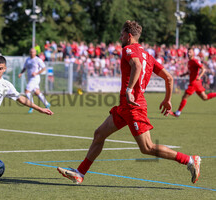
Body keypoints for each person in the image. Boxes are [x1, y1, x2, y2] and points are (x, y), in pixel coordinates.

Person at [57, 20, 201, 184]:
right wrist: (167, 100)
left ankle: (190, 160)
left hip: (134, 105)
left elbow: (137, 66)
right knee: (99, 134)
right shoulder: (148, 55)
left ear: (129, 35)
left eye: (122, 34)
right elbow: (169, 77)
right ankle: (80, 173)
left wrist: (129, 90)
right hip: (125, 107)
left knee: (147, 147)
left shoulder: (128, 49)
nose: (120, 37)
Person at [170, 48, 216, 117]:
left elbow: (203, 69)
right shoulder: (189, 62)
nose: (188, 53)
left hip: (194, 83)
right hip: (196, 83)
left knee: (184, 97)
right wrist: (183, 74)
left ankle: (177, 112)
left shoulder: (195, 61)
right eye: (188, 52)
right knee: (205, 97)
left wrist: (199, 76)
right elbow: (190, 71)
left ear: (193, 53)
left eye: (190, 52)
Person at [18, 48, 50, 113]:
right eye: (31, 52)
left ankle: (31, 106)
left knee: (27, 91)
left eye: (33, 52)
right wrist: (21, 73)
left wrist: (36, 73)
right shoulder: (28, 60)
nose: (32, 53)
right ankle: (47, 104)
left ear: (35, 53)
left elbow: (44, 68)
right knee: (37, 92)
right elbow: (25, 68)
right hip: (30, 78)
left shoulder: (38, 60)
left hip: (35, 78)